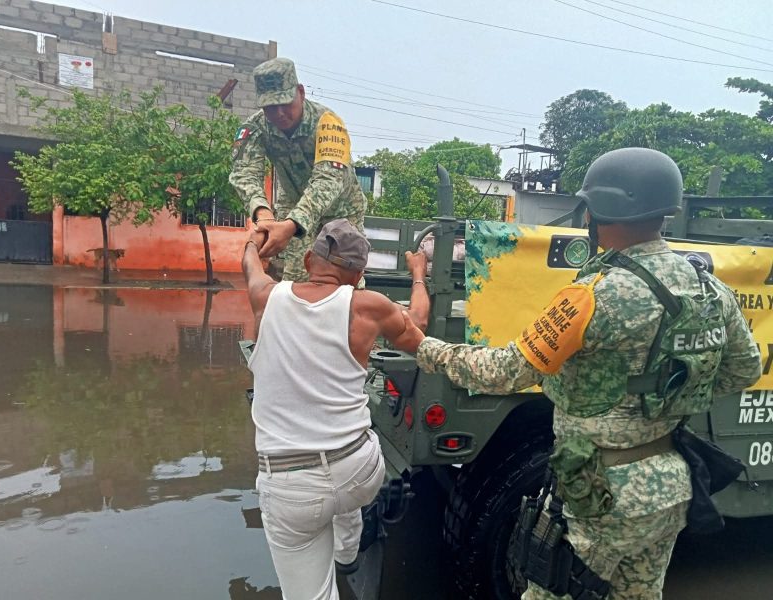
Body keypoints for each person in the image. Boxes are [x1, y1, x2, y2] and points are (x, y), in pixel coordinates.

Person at [402, 148, 761, 600]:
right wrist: (668, 397)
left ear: (599, 211)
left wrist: (424, 347)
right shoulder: (711, 289)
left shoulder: (593, 295)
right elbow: (743, 368)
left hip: (600, 494)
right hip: (670, 483)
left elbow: (505, 371)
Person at [243, 218, 429, 600]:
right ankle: (347, 553)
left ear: (309, 258)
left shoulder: (266, 296)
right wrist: (418, 275)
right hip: (358, 469)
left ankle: (339, 561)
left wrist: (255, 241)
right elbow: (420, 326)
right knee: (347, 493)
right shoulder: (369, 307)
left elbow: (249, 265)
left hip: (290, 486)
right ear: (359, 274)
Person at [230, 57, 367, 282]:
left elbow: (328, 180)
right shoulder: (255, 128)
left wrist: (293, 224)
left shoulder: (328, 123)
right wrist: (262, 214)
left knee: (345, 284)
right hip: (292, 208)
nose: (280, 113)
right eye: (271, 108)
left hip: (342, 213)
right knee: (296, 283)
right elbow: (244, 172)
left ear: (301, 93)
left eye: (286, 103)